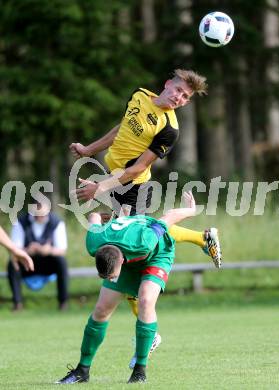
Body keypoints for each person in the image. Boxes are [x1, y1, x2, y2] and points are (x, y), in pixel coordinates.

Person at [69, 68, 222, 365]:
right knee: (124, 243)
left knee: (128, 253)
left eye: (185, 97)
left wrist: (99, 187)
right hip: (115, 179)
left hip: (136, 187)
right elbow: (120, 130)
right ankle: (202, 237)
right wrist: (89, 150)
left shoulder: (170, 129)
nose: (179, 97)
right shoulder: (140, 96)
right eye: (178, 90)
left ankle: (151, 333)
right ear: (167, 84)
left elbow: (139, 168)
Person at [56, 191, 200, 384]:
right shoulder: (94, 243)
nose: (109, 278)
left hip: (156, 254)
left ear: (122, 262)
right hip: (124, 249)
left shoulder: (145, 241)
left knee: (146, 300)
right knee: (101, 309)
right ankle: (82, 370)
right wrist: (103, 217)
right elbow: (94, 216)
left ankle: (139, 371)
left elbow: (169, 217)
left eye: (112, 275)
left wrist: (191, 210)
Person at [7, 202, 69, 311]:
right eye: (37, 214)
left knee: (61, 261)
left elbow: (62, 250)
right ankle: (17, 303)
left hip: (48, 264)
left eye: (43, 214)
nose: (40, 216)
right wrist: (27, 250)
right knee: (13, 262)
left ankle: (63, 303)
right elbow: (15, 249)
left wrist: (48, 250)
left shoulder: (56, 222)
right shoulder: (20, 222)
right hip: (26, 263)